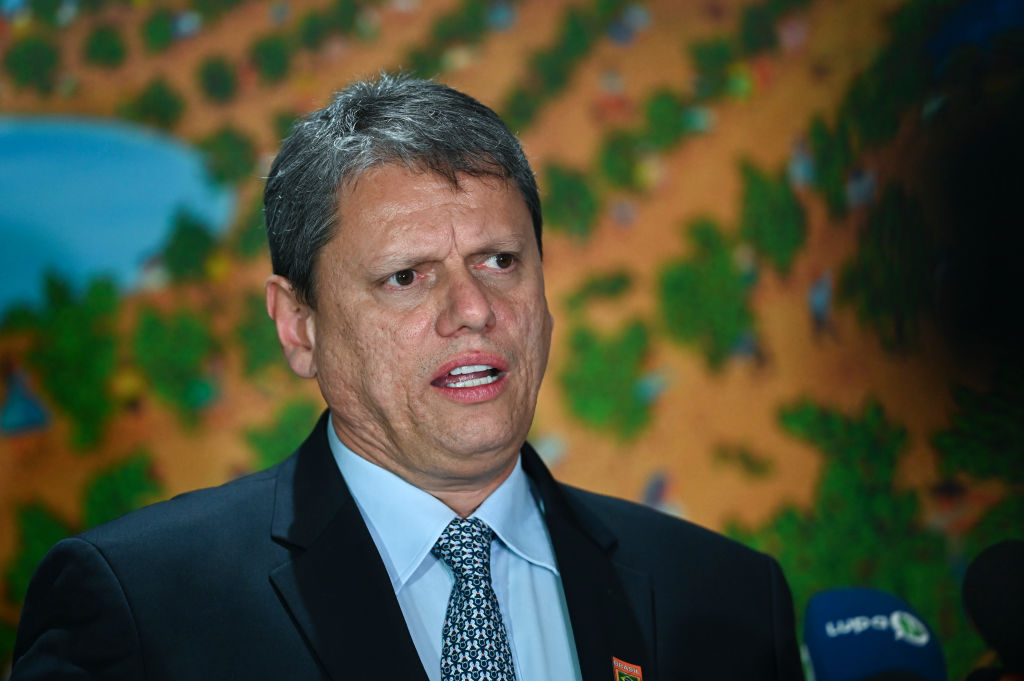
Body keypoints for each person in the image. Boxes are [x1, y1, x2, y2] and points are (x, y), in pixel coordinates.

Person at [12, 74, 803, 681]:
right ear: (299, 327)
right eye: (406, 276)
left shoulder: (726, 599)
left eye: (500, 261)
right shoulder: (142, 608)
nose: (473, 309)